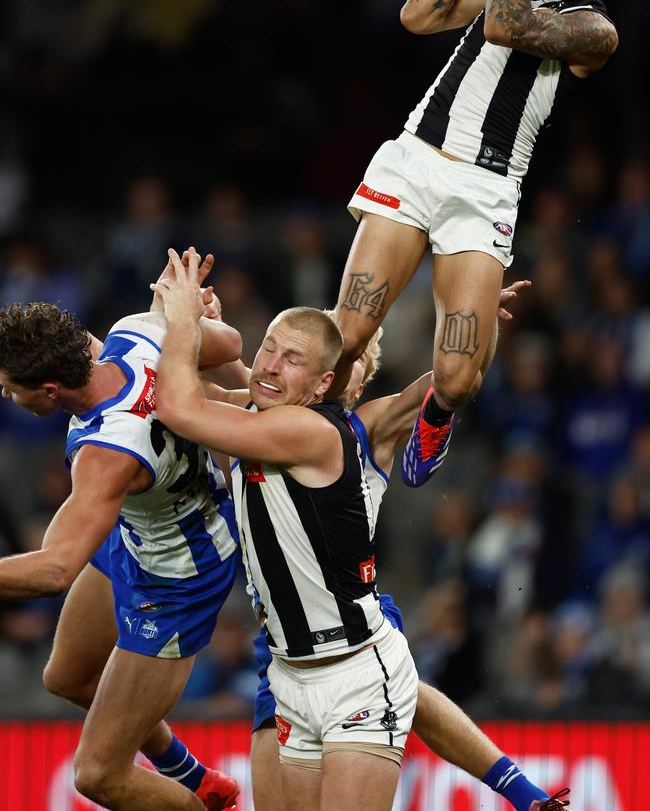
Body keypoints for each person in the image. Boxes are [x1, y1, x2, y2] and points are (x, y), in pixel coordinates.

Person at [333, 0, 628, 489]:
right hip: (415, 161)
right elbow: (418, 16)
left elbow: (503, 23)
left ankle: (434, 419)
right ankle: (308, 430)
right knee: (349, 331)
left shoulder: (596, 30)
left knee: (459, 377)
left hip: (486, 189)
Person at [248, 289, 572, 811]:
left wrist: (476, 321)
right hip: (281, 642)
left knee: (401, 689)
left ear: (352, 379)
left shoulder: (363, 426)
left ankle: (517, 788)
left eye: (349, 360)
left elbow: (447, 381)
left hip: (348, 622)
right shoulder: (258, 407)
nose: (336, 367)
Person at [152, 249, 420, 811]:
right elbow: (218, 387)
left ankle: (511, 783)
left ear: (326, 383)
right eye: (267, 349)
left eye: (290, 359)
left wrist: (182, 321)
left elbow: (180, 406)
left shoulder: (312, 431)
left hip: (354, 670)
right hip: (288, 674)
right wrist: (197, 321)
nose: (270, 365)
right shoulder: (259, 413)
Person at [0, 256, 243, 811]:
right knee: (66, 676)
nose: (6, 396)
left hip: (180, 576)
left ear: (50, 389)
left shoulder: (107, 455)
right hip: (142, 531)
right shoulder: (135, 334)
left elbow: (55, 568)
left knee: (98, 775)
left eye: (9, 387)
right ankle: (192, 775)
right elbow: (227, 345)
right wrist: (188, 319)